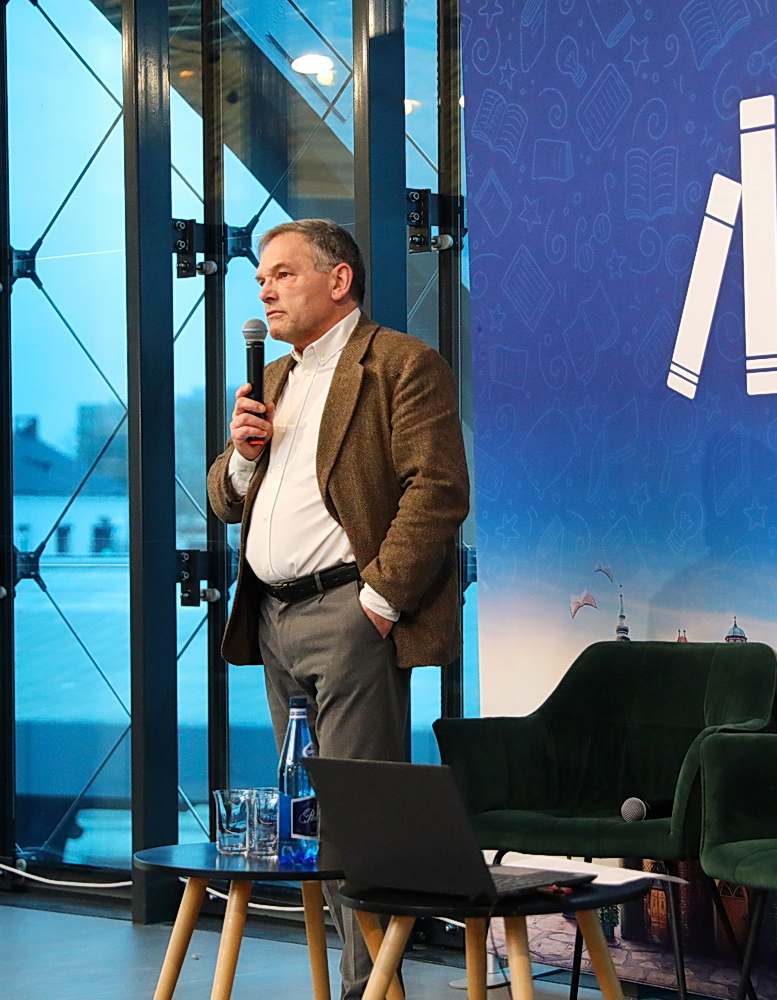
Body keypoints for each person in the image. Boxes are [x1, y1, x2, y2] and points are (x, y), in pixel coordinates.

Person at [206, 219, 468, 1000]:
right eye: (260, 278)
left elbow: (438, 488)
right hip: (273, 620)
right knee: (308, 818)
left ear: (339, 281)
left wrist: (377, 604)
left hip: (350, 614)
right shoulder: (272, 379)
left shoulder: (400, 364)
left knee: (363, 818)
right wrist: (242, 457)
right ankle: (348, 983)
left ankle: (370, 990)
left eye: (283, 274)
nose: (264, 289)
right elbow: (224, 498)